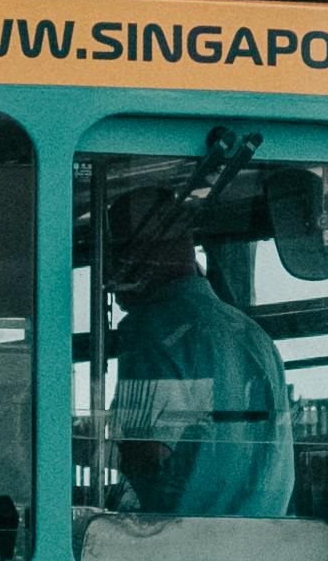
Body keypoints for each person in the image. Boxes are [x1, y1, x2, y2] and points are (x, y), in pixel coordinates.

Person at [102, 176, 294, 517]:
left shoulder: (155, 331)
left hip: (180, 550)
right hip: (261, 550)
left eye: (116, 249)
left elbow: (144, 455)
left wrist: (81, 448)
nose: (108, 271)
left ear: (144, 250)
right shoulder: (255, 337)